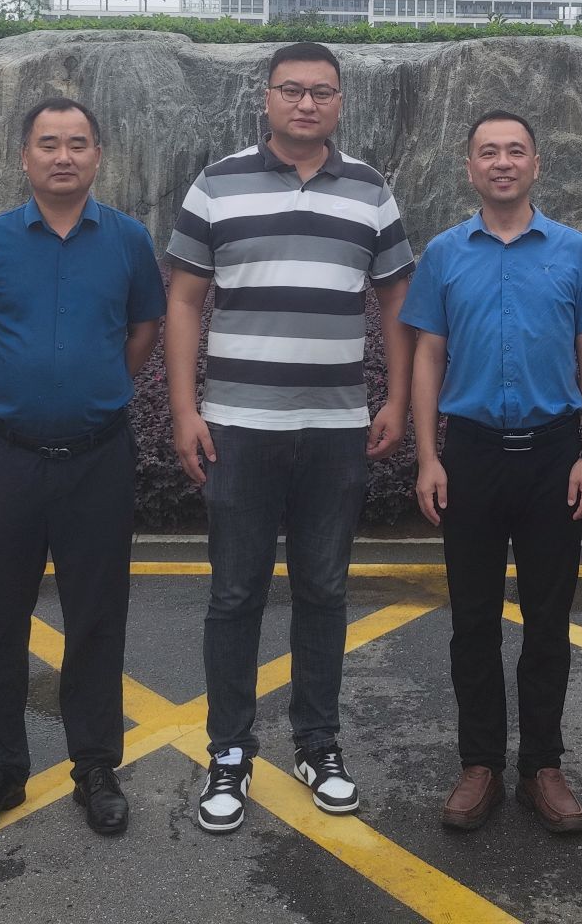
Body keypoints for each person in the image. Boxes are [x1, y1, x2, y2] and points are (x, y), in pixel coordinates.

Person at [165, 41, 415, 834]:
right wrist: (184, 409)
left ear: (340, 102)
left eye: (322, 92)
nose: (307, 104)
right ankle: (230, 752)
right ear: (266, 97)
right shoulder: (217, 184)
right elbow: (183, 302)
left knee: (325, 592)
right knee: (234, 595)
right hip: (238, 427)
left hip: (337, 428)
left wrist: (397, 399)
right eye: (292, 90)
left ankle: (318, 745)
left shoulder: (370, 189)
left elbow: (396, 302)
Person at [0, 97, 166, 841]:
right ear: (24, 156)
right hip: (8, 458)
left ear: (98, 155)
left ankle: (95, 768)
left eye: (77, 143)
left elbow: (144, 329)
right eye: (48, 144)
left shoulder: (128, 240)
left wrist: (97, 393)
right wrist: (9, 398)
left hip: (99, 458)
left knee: (97, 615)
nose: (62, 156)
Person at [404, 111, 582, 835]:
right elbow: (428, 355)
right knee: (472, 620)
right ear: (469, 167)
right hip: (470, 455)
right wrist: (428, 456)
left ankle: (542, 768)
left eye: (515, 151)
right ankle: (480, 766)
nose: (502, 162)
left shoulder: (574, 251)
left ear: (536, 164)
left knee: (548, 621)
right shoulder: (443, 254)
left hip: (555, 455)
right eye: (488, 152)